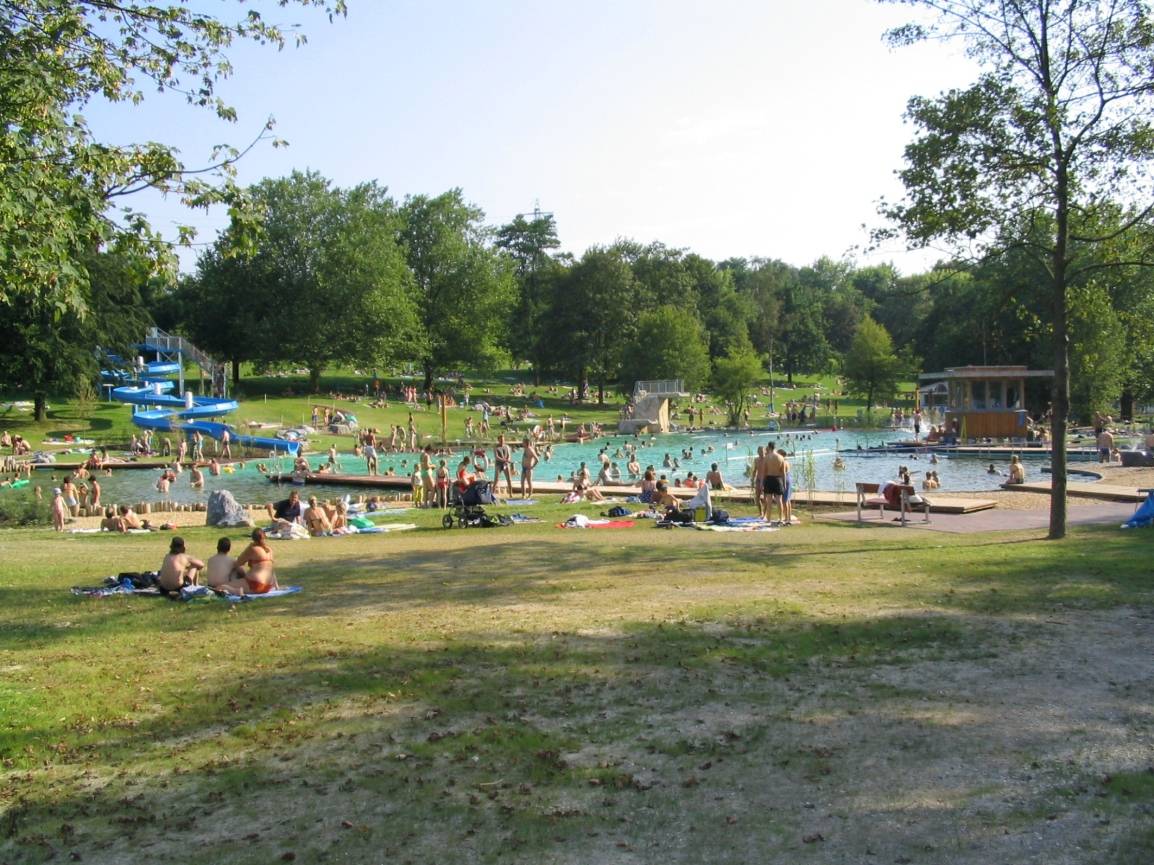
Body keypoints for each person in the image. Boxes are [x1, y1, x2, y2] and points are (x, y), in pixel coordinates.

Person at [235, 528, 278, 594]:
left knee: (222, 586)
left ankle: (238, 591)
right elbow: (271, 569)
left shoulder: (252, 549)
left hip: (256, 584)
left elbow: (238, 563)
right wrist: (276, 586)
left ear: (253, 538)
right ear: (264, 537)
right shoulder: (269, 550)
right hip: (268, 586)